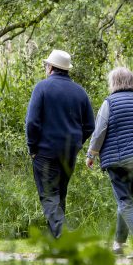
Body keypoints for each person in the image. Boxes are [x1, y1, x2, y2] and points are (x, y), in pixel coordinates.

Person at [86, 67, 133, 256]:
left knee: (124, 202)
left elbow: (99, 131)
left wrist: (91, 154)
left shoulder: (109, 103)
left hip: (116, 161)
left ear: (114, 82)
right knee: (127, 201)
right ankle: (118, 243)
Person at [25, 49, 95, 238]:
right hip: (69, 152)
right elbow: (90, 125)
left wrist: (32, 147)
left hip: (45, 151)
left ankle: (62, 236)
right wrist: (77, 143)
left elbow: (32, 122)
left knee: (49, 195)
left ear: (50, 68)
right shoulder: (80, 91)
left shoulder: (42, 87)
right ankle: (57, 243)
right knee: (59, 195)